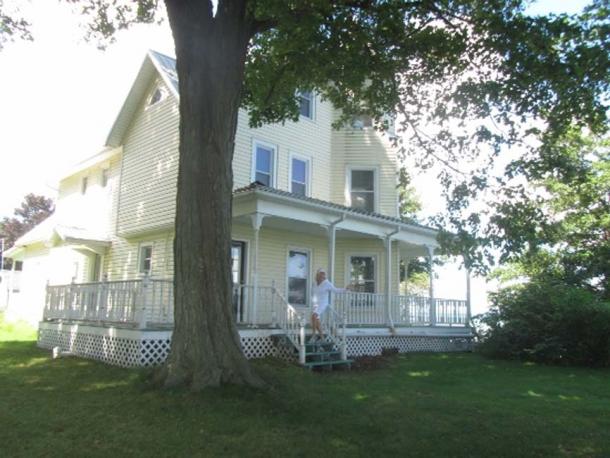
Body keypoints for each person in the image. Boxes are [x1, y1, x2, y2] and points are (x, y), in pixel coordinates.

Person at [310, 268, 351, 342]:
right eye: (321, 273)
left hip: (323, 303)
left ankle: (314, 336)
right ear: (318, 274)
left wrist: (345, 289)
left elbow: (336, 290)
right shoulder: (315, 283)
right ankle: (322, 338)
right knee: (316, 320)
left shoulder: (327, 283)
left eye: (323, 274)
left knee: (314, 316)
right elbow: (313, 293)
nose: (322, 275)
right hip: (316, 303)